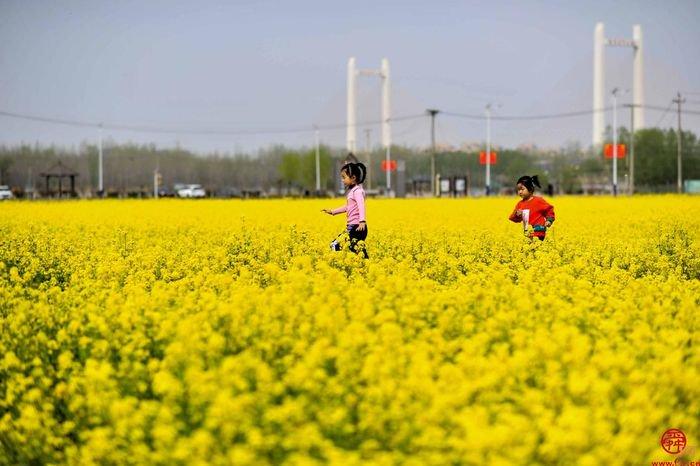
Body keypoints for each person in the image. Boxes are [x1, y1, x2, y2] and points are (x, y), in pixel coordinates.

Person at [322, 161, 369, 258]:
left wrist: (362, 221)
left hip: (357, 227)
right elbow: (348, 207)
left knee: (335, 245)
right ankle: (364, 265)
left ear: (353, 178)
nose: (342, 180)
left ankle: (337, 262)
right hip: (353, 227)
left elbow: (361, 206)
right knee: (356, 250)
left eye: (344, 177)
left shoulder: (357, 191)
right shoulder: (353, 191)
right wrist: (333, 212)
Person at [509, 175, 555, 240]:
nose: (520, 192)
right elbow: (512, 218)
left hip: (539, 232)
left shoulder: (538, 201)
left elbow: (549, 210)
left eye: (522, 189)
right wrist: (517, 214)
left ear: (530, 189)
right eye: (518, 190)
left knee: (537, 247)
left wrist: (549, 220)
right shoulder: (520, 204)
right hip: (528, 233)